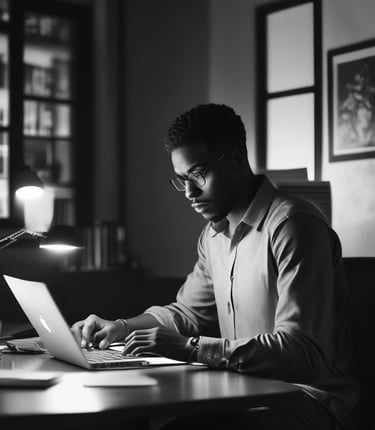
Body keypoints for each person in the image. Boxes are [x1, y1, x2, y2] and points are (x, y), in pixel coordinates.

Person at [72, 104, 358, 430]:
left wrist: (190, 348)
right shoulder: (213, 235)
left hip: (309, 401)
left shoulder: (294, 225)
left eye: (198, 175)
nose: (190, 193)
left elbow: (300, 351)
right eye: (182, 179)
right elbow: (186, 314)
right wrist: (121, 327)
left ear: (237, 158)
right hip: (246, 391)